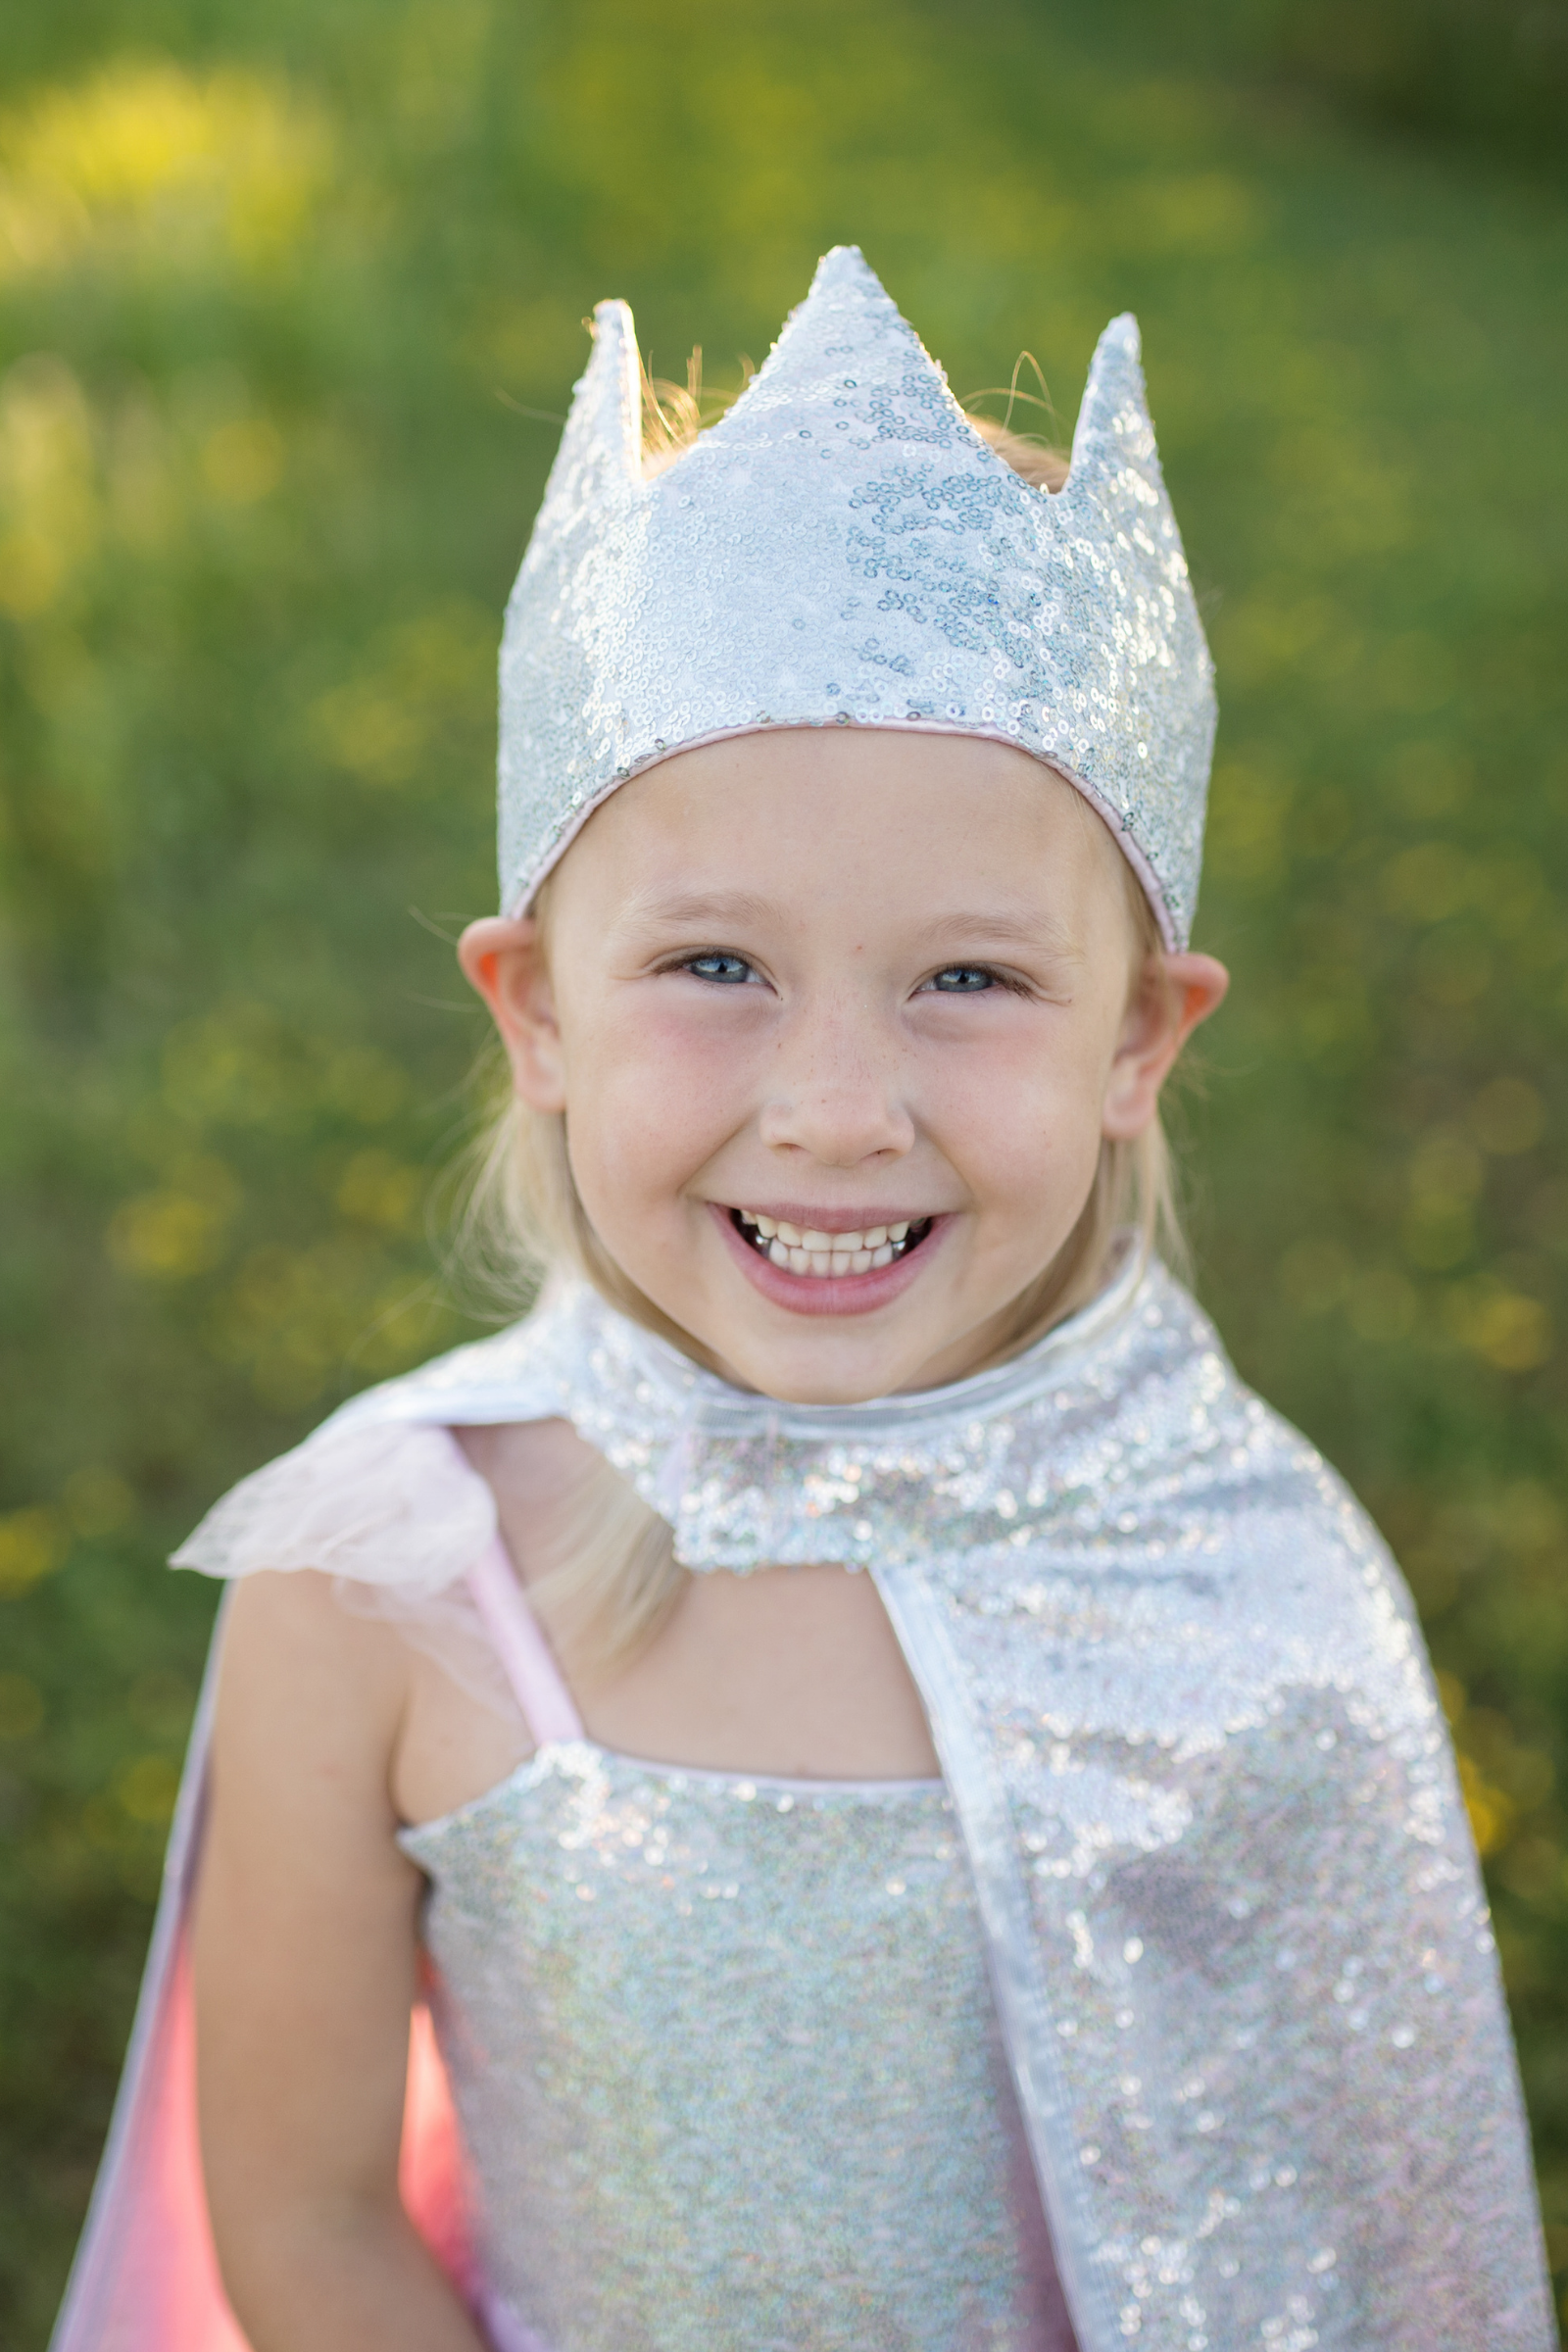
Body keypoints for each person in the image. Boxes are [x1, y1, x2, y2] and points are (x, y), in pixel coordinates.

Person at [50, 247, 1552, 2352]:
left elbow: (1361, 2253)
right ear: (532, 1009)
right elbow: (302, 2228)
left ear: (1137, 1040)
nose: (835, 1114)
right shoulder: (388, 1575)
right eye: (712, 968)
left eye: (967, 981)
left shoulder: (1249, 1587)